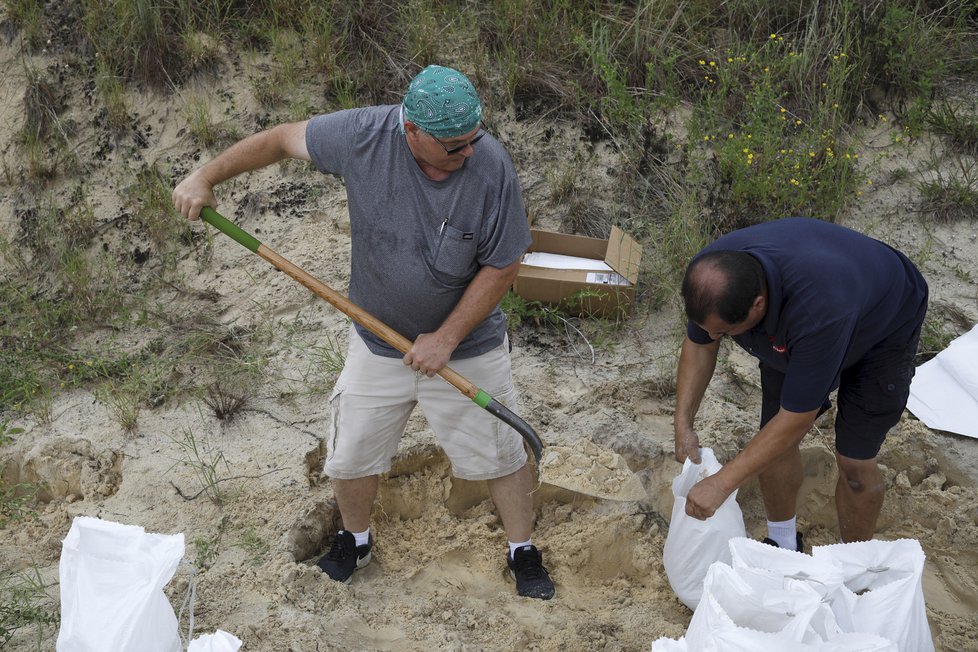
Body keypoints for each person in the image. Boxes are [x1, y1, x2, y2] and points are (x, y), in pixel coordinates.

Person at [172, 65, 554, 599]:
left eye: (473, 140)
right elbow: (281, 140)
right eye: (453, 147)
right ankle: (356, 540)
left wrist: (444, 339)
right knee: (350, 452)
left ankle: (522, 550)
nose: (467, 154)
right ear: (410, 130)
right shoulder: (364, 135)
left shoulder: (489, 166)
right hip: (379, 340)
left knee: (501, 453)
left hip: (467, 346)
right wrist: (205, 178)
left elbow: (503, 266)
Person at [673, 217, 928, 549]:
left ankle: (851, 564)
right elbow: (700, 344)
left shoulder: (818, 312)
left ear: (758, 306)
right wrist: (683, 422)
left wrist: (722, 484)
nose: (713, 337)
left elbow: (795, 420)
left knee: (854, 459)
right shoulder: (712, 278)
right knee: (772, 441)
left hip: (883, 322)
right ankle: (783, 543)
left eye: (723, 332)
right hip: (815, 308)